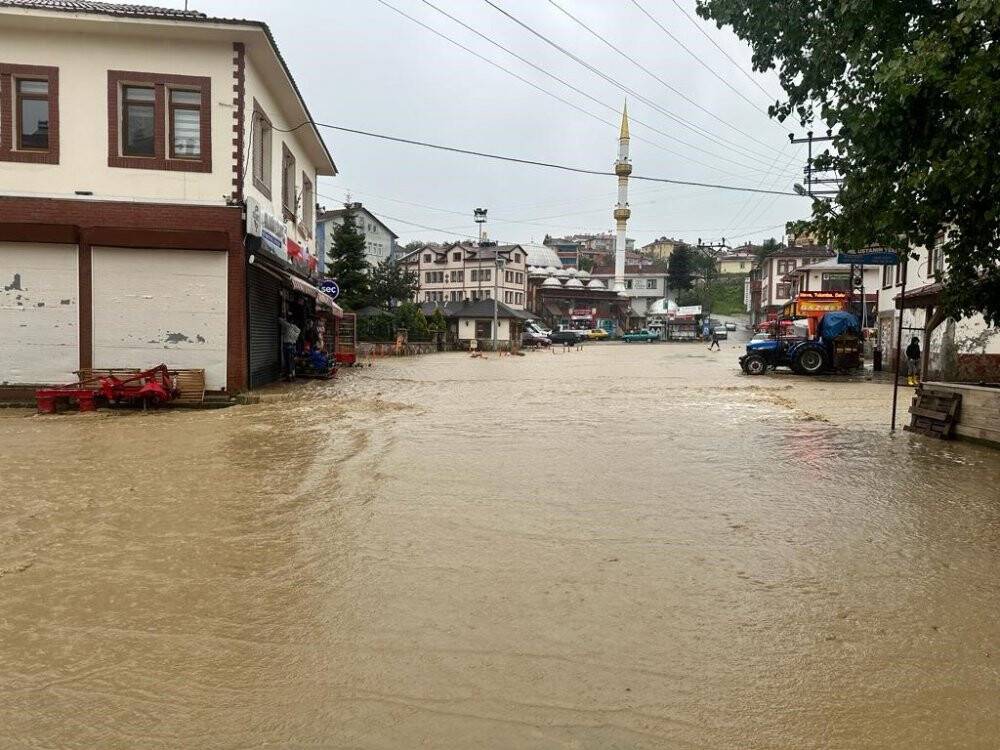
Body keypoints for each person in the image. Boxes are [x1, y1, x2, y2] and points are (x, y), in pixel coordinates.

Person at [279, 316, 301, 380]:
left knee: (287, 361)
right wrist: (295, 337)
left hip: (287, 346)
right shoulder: (296, 328)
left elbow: (280, 320)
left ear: (288, 321)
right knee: (292, 361)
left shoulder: (287, 325)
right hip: (293, 346)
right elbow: (299, 331)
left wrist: (283, 317)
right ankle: (293, 375)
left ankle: (289, 376)